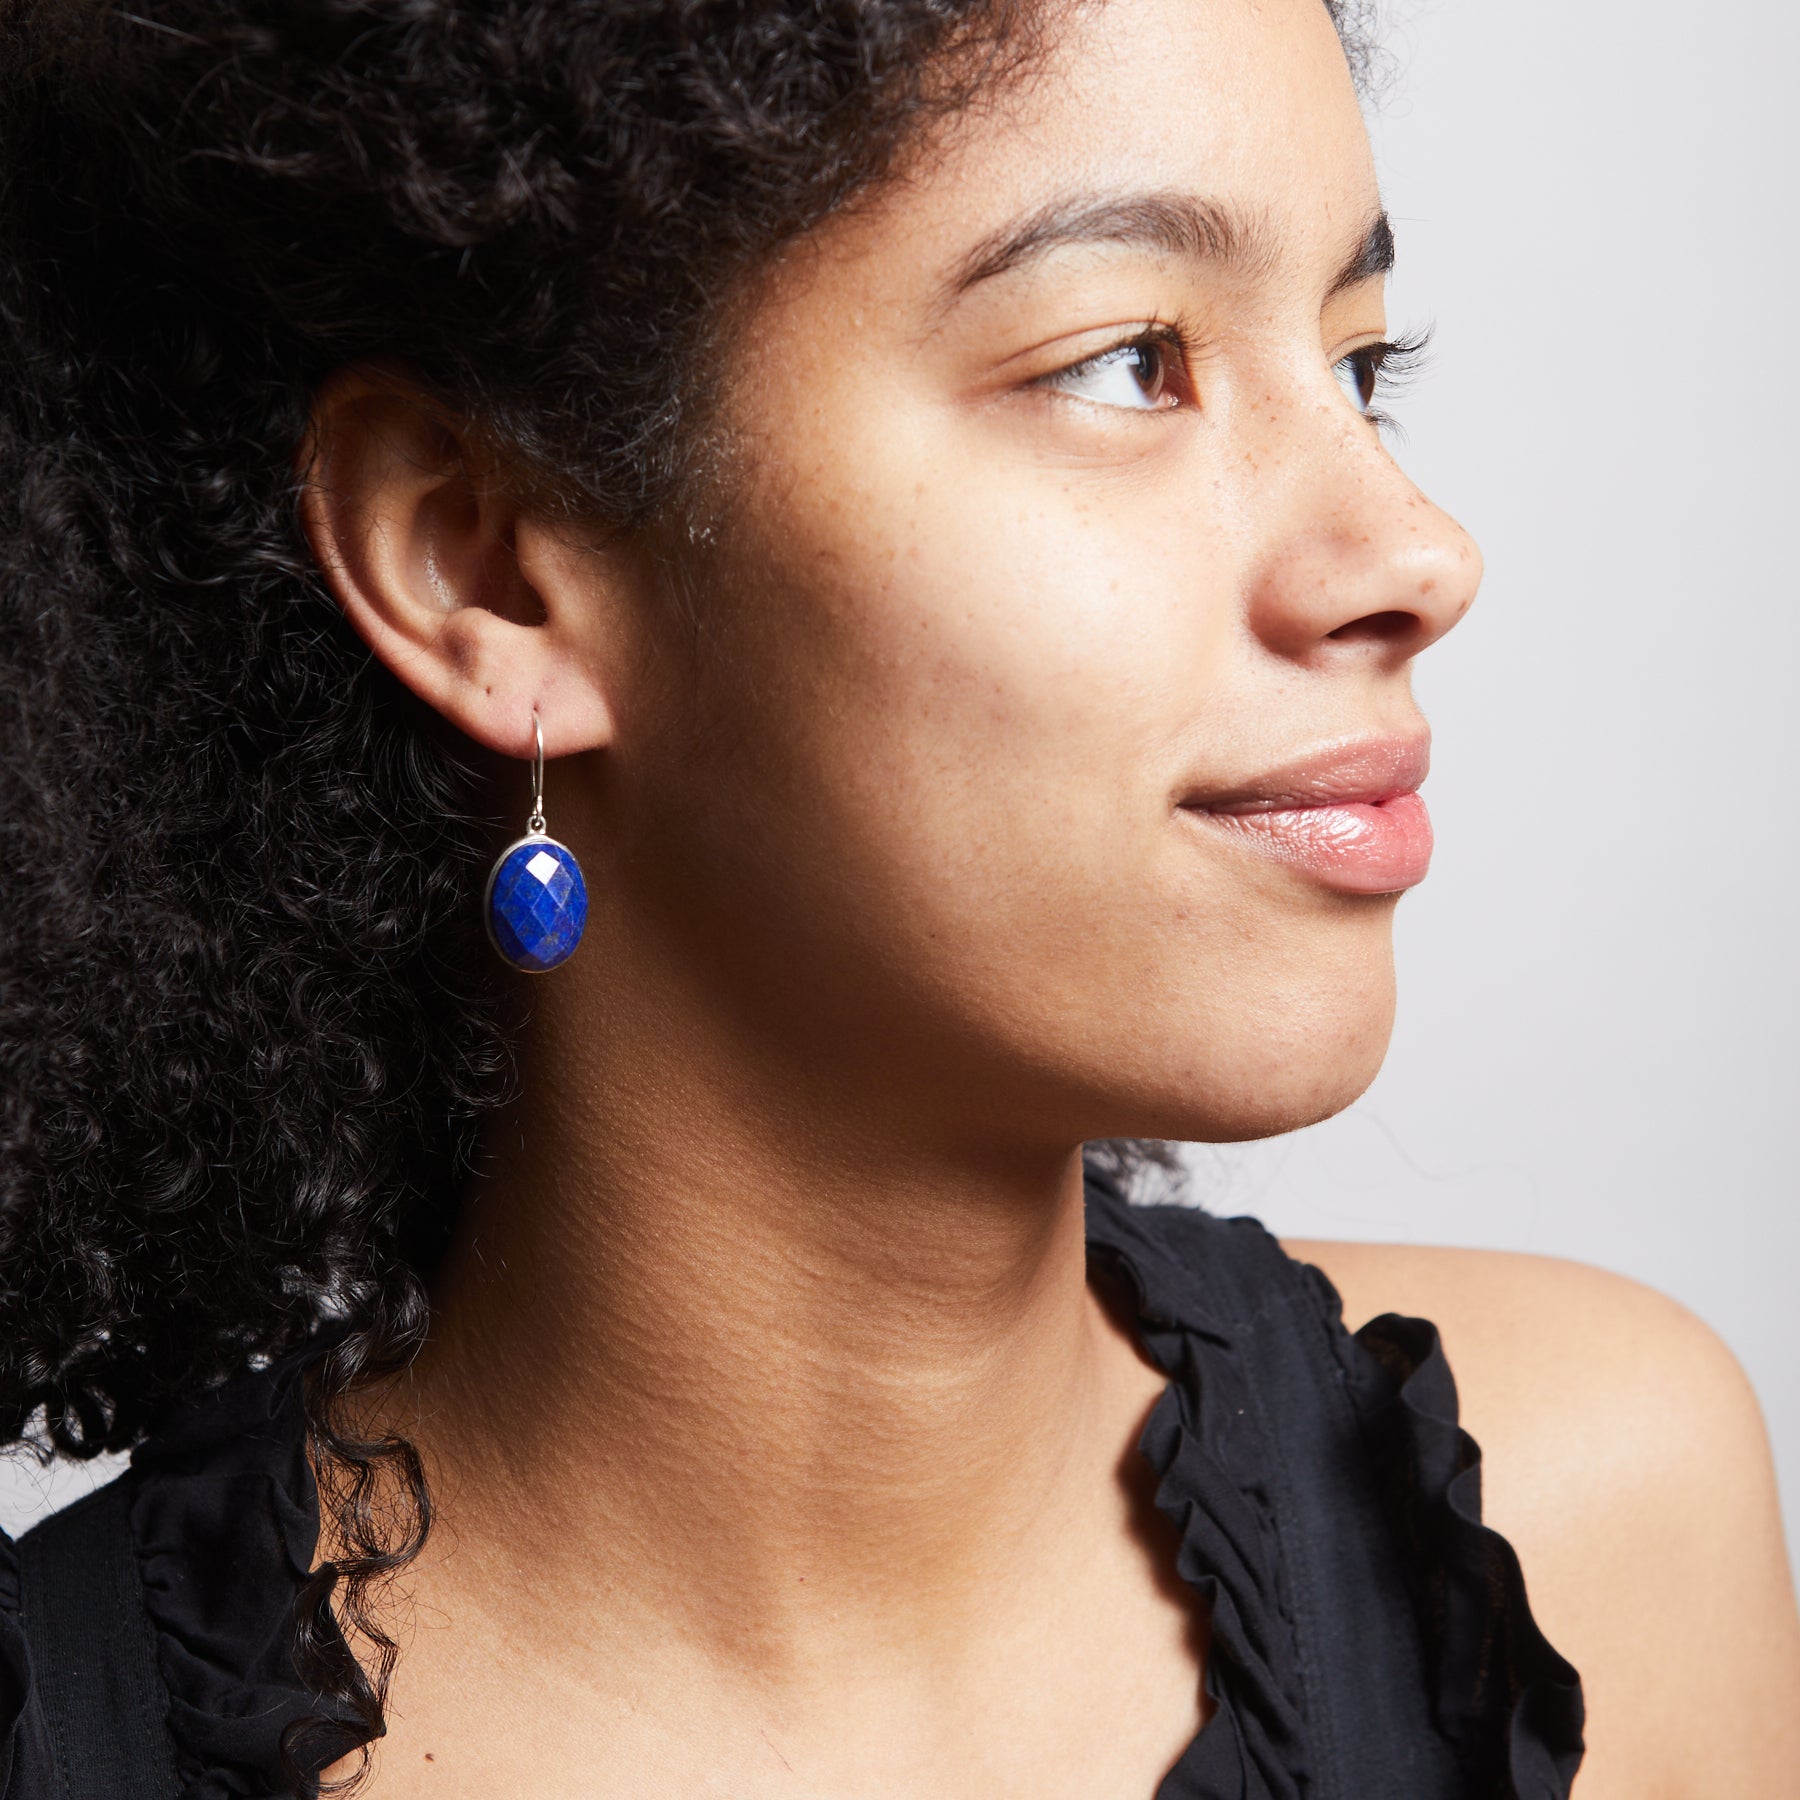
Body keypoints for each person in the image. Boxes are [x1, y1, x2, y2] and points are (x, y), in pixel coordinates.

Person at [1, 0, 1795, 1794]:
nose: (1419, 552)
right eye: (1125, 360)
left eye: (1358, 361)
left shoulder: (1586, 1536)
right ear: (486, 565)